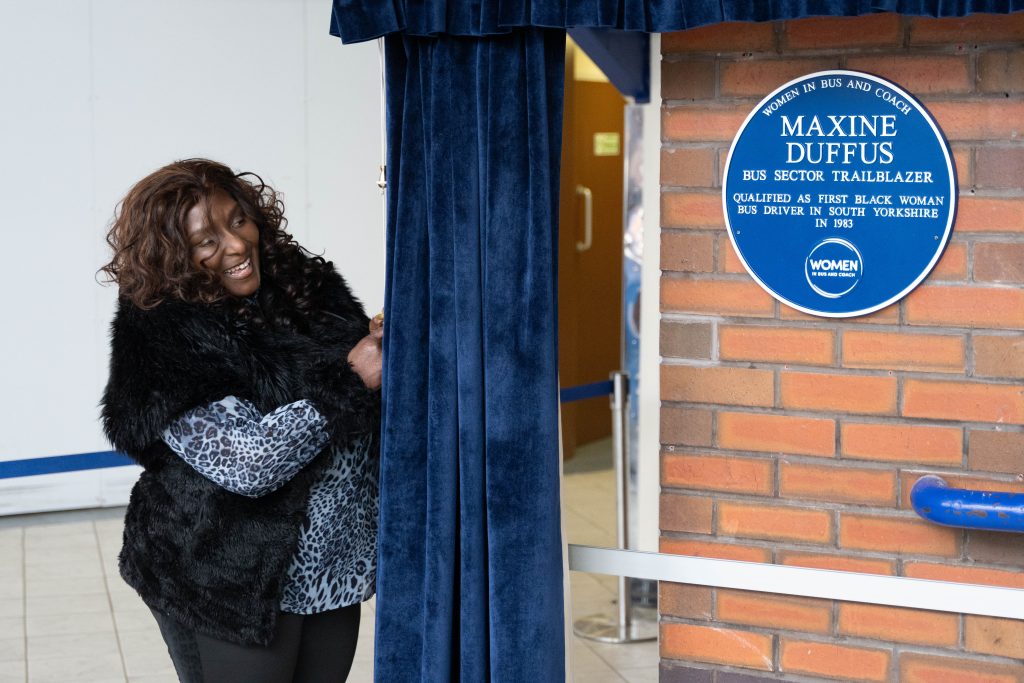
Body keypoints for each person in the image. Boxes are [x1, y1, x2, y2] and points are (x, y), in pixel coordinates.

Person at [99, 159, 381, 682]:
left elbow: (363, 378)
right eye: (205, 241)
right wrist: (353, 378)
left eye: (237, 221)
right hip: (229, 578)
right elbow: (249, 461)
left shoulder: (302, 285)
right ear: (171, 255)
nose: (234, 245)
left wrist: (380, 344)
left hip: (330, 566)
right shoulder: (163, 330)